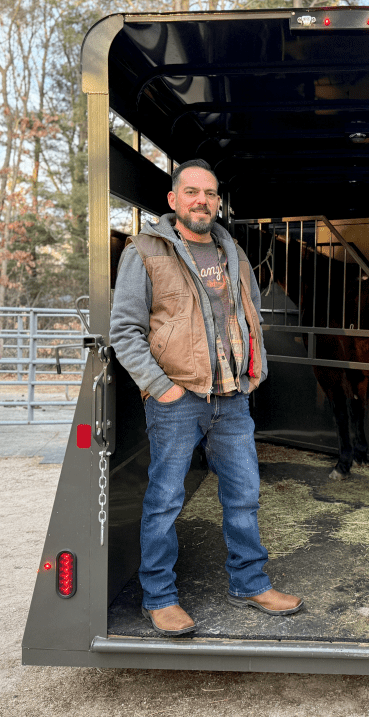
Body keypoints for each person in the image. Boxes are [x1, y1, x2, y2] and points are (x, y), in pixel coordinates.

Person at [109, 158, 303, 636]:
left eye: (210, 193)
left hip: (232, 398)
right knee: (164, 501)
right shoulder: (145, 250)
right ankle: (160, 597)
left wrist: (254, 370)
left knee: (244, 496)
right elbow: (125, 332)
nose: (202, 200)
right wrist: (163, 388)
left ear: (218, 202)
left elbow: (252, 314)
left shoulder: (231, 250)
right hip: (178, 400)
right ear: (173, 199)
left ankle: (250, 583)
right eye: (192, 192)